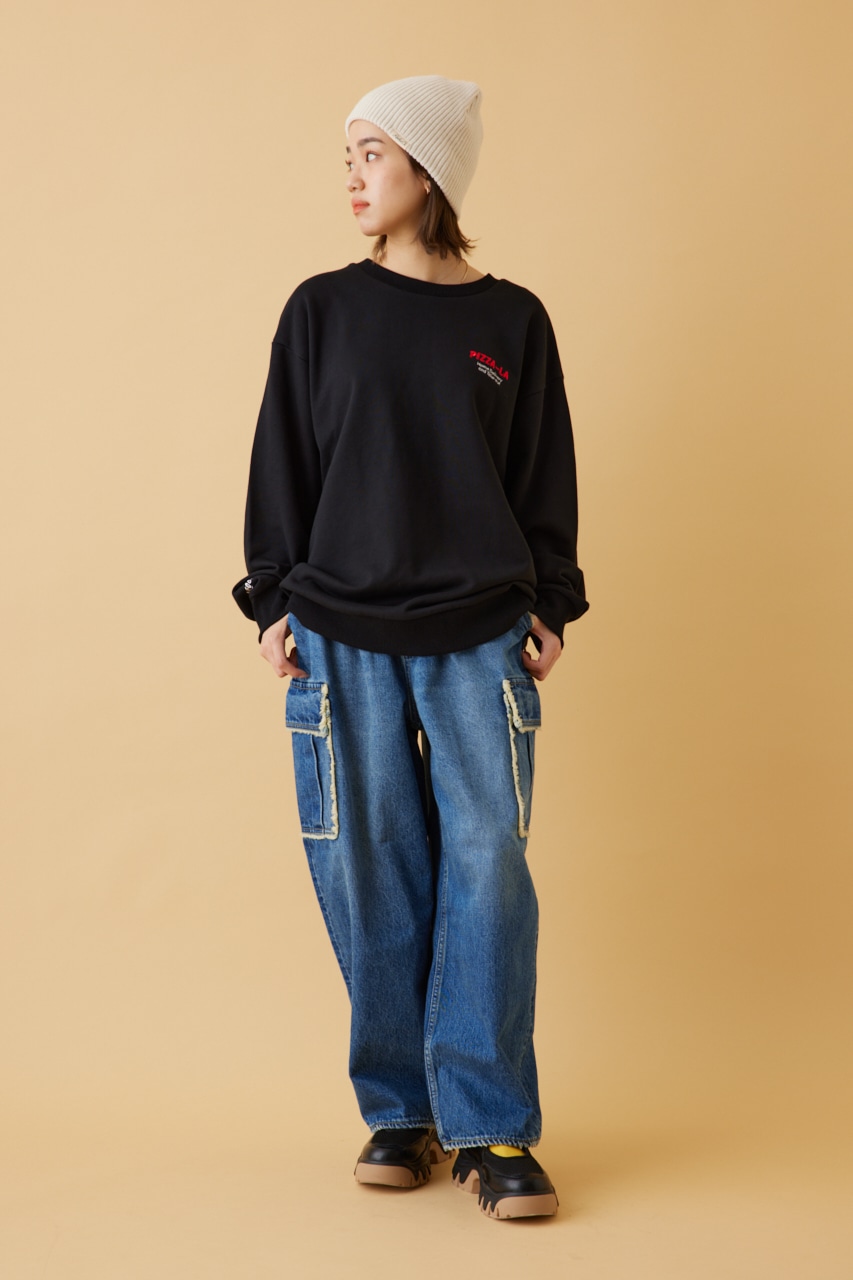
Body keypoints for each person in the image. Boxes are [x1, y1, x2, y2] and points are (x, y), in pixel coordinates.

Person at [232, 74, 588, 1220]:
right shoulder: (320, 311)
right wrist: (271, 600)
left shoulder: (511, 321)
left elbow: (540, 471)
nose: (351, 175)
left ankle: (492, 1125)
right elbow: (283, 462)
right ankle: (400, 1108)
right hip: (339, 632)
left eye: (372, 153)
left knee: (488, 869)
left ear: (428, 172)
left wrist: (553, 600)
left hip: (480, 630)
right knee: (368, 864)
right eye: (346, 154)